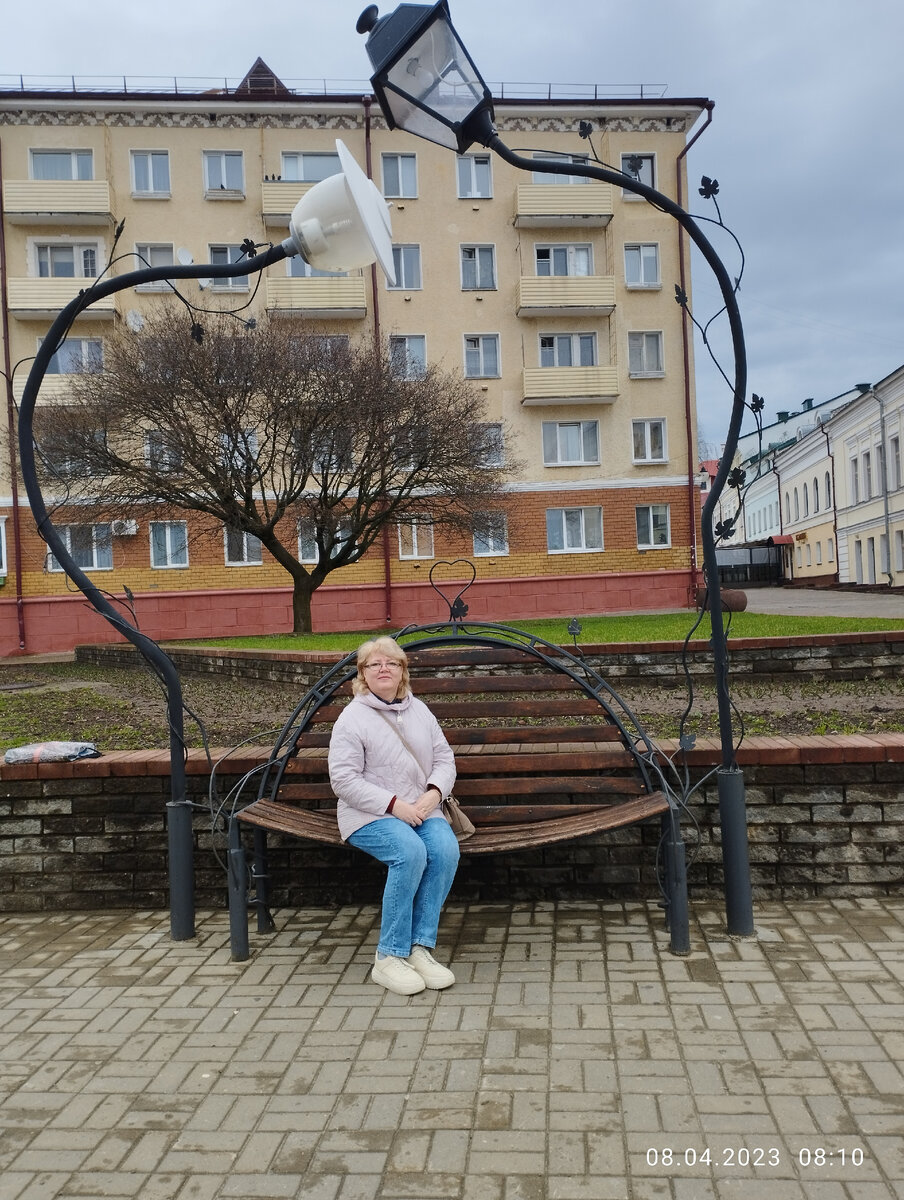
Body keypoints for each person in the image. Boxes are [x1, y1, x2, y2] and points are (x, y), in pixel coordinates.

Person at [328, 636, 460, 996]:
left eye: (392, 663)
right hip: (368, 814)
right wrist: (393, 805)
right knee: (410, 852)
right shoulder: (352, 718)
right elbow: (343, 780)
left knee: (445, 850)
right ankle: (388, 958)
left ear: (402, 671)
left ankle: (418, 949)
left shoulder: (420, 710)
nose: (383, 668)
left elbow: (445, 759)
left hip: (420, 808)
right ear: (363, 675)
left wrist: (434, 793)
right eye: (374, 664)